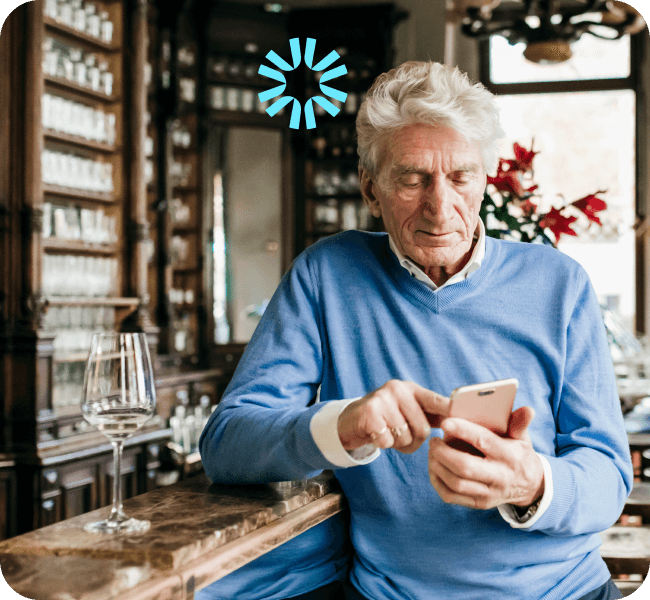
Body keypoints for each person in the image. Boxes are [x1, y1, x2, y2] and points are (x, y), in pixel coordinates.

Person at [199, 61, 633, 600]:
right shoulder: (327, 275)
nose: (440, 205)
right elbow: (226, 442)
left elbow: (609, 476)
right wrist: (343, 425)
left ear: (485, 180)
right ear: (370, 188)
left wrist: (532, 483)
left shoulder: (559, 284)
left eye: (460, 177)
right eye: (412, 178)